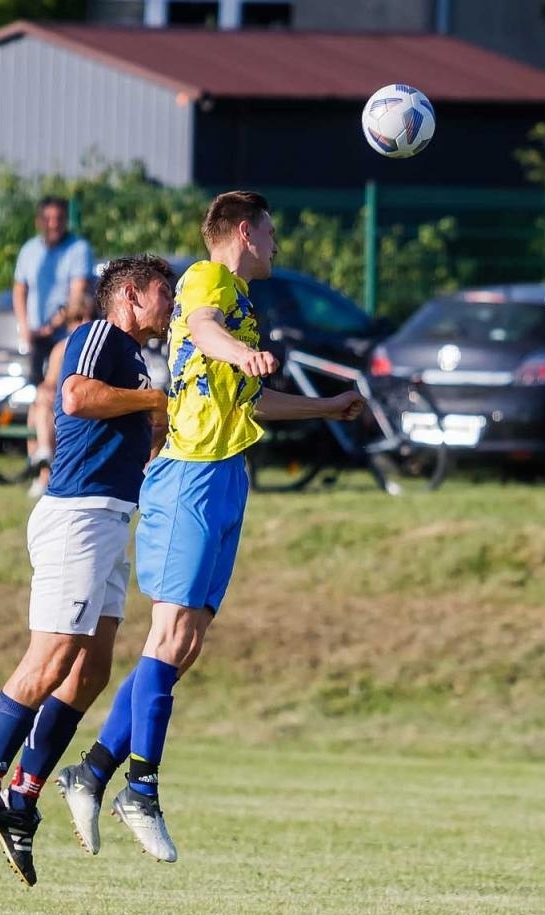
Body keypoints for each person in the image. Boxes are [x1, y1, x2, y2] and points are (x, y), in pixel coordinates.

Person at [53, 191, 364, 865]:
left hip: (226, 476)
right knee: (168, 634)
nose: (278, 245)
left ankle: (94, 771)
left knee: (184, 644)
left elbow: (249, 394)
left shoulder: (244, 308)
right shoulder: (206, 278)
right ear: (246, 231)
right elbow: (204, 326)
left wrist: (324, 407)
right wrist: (237, 353)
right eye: (272, 232)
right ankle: (141, 788)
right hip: (188, 474)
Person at [0, 254, 177, 887]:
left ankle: (23, 796)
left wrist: (157, 425)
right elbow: (75, 397)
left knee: (92, 669)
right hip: (77, 517)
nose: (171, 303)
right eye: (164, 292)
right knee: (51, 659)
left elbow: (136, 426)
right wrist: (153, 398)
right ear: (129, 294)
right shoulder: (100, 335)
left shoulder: (138, 358)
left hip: (109, 520)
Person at [14, 197, 94, 479]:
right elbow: (19, 290)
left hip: (64, 334)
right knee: (39, 397)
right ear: (39, 221)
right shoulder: (29, 251)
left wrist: (52, 325)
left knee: (52, 398)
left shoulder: (78, 249)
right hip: (37, 336)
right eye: (48, 219)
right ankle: (39, 467)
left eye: (59, 219)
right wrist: (26, 328)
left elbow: (78, 294)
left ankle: (49, 469)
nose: (53, 225)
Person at [26, 294, 99, 498]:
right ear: (68, 323)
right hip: (59, 406)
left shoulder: (99, 347)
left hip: (85, 407)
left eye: (88, 317)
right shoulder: (62, 348)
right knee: (40, 403)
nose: (84, 323)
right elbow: (50, 383)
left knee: (43, 407)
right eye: (77, 318)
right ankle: (43, 463)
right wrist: (48, 392)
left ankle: (44, 464)